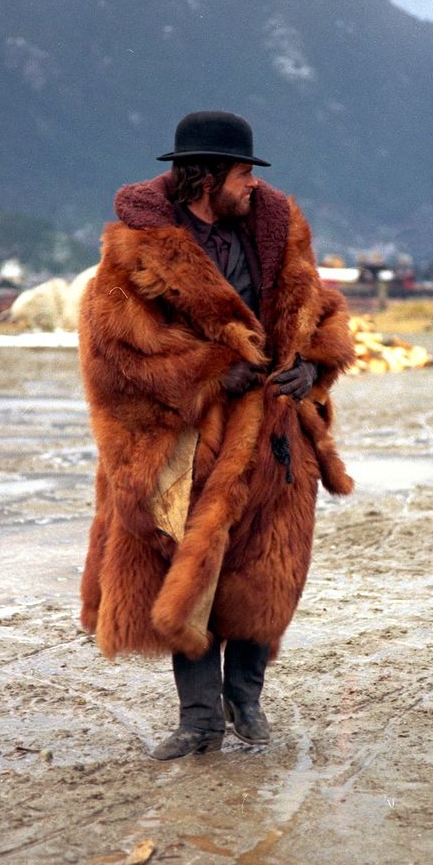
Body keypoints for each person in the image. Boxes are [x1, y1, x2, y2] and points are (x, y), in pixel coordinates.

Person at [78, 111, 354, 759]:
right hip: (187, 442)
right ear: (204, 178)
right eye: (241, 174)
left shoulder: (275, 231)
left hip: (274, 439)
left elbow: (321, 307)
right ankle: (199, 719)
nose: (252, 186)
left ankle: (245, 700)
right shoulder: (139, 246)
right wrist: (207, 375)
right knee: (188, 566)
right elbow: (113, 351)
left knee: (267, 570)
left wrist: (311, 364)